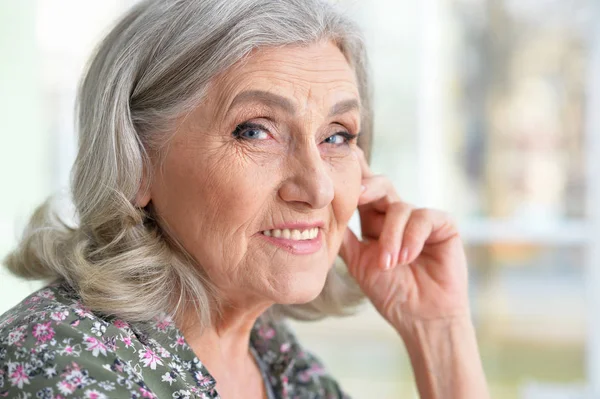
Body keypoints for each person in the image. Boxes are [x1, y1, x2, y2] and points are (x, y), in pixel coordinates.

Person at [0, 0, 489, 398]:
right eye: (255, 131)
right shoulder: (62, 362)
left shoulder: (271, 353)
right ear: (136, 162)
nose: (317, 188)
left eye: (337, 136)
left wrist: (438, 331)